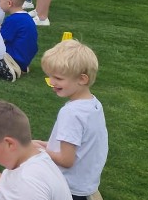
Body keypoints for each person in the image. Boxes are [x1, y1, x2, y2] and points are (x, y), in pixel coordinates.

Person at [37, 40, 107, 200]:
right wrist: (43, 144)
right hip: (85, 183)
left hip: (67, 187)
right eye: (50, 76)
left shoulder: (71, 112)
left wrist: (39, 151)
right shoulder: (94, 104)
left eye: (58, 78)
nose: (51, 82)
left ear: (82, 79)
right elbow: (78, 145)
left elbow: (66, 160)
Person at [0, 0, 37, 77]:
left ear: (9, 3)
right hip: (26, 58)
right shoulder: (27, 17)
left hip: (14, 57)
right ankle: (20, 67)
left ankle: (9, 68)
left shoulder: (13, 20)